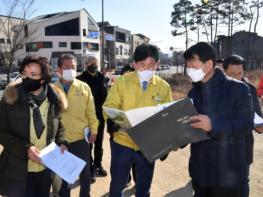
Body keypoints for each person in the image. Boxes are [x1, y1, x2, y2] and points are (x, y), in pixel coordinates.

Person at [184, 42, 254, 197]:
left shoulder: (238, 89)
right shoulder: (193, 93)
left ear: (208, 64)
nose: (189, 70)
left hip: (228, 175)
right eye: (187, 66)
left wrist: (212, 126)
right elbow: (190, 127)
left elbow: (246, 124)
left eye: (192, 65)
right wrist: (175, 138)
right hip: (200, 172)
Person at [104, 44, 172, 197]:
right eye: (142, 65)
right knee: (117, 186)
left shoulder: (164, 87)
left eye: (151, 65)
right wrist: (112, 120)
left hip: (148, 146)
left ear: (157, 64)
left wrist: (166, 144)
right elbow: (110, 105)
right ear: (134, 64)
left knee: (143, 188)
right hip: (123, 143)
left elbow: (168, 117)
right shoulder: (122, 82)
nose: (146, 69)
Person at [0, 55, 68, 197]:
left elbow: (59, 125)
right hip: (18, 169)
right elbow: (2, 132)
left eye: (33, 74)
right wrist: (26, 149)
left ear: (43, 79)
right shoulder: (11, 97)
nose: (26, 78)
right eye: (24, 73)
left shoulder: (54, 99)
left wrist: (62, 142)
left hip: (46, 169)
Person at [55, 54, 98, 197]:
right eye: (66, 67)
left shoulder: (84, 87)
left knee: (85, 172)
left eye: (73, 67)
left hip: (81, 137)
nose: (70, 70)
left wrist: (94, 130)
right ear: (59, 69)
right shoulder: (52, 89)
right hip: (60, 140)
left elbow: (91, 111)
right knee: (63, 174)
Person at [223, 54, 263, 197]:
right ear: (224, 71)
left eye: (239, 73)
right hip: (220, 148)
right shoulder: (215, 89)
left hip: (243, 148)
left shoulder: (250, 89)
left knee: (242, 185)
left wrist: (259, 125)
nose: (236, 77)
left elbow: (258, 119)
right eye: (231, 74)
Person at [77, 56, 108, 183]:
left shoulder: (102, 78)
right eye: (90, 63)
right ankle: (88, 169)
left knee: (99, 143)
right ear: (85, 65)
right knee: (87, 145)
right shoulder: (79, 79)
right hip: (86, 118)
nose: (93, 65)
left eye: (95, 63)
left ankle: (97, 165)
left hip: (100, 117)